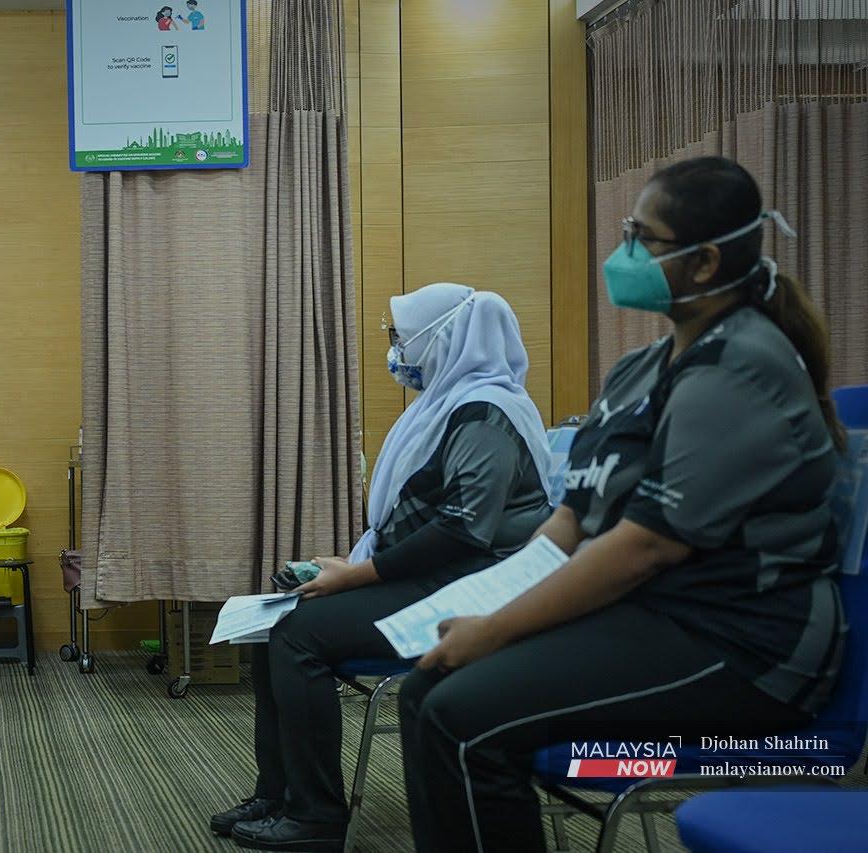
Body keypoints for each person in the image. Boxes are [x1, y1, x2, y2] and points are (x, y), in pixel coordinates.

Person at [397, 157, 847, 853]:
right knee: (425, 689)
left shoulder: (741, 366)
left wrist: (498, 630)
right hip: (654, 615)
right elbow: (571, 522)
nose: (624, 251)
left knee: (461, 718)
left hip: (743, 643)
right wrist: (486, 604)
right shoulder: (640, 369)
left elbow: (646, 546)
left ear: (703, 263)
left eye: (643, 236)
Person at [217, 283, 554, 852]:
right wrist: (351, 564)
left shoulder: (486, 413)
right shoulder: (446, 404)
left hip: (476, 587)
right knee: (274, 622)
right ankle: (278, 793)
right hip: (442, 574)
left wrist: (354, 576)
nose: (396, 349)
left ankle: (316, 816)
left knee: (298, 633)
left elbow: (461, 530)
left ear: (443, 339)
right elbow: (420, 520)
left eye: (402, 336)